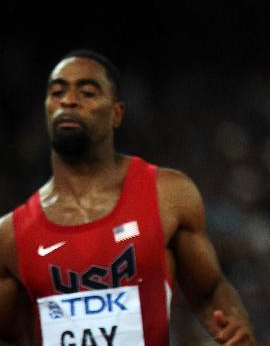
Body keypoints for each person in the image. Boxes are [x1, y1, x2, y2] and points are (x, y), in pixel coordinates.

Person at [0, 50, 257, 345]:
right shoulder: (11, 237)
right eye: (57, 92)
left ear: (116, 113)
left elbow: (210, 290)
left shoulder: (167, 196)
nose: (68, 101)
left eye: (87, 92)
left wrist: (236, 321)